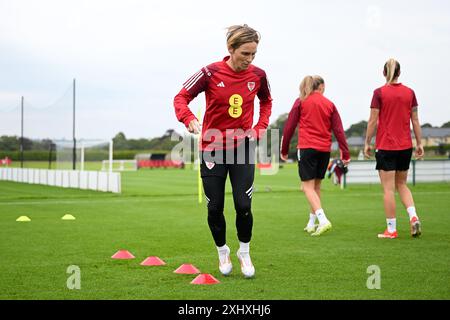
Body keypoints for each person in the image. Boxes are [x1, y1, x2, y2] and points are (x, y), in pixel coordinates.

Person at [173, 25, 272, 278]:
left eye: (254, 54)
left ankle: (245, 252)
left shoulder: (258, 75)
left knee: (243, 205)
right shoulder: (209, 72)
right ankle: (222, 252)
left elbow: (267, 101)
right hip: (212, 149)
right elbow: (181, 97)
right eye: (245, 54)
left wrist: (260, 127)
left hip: (242, 148)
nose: (249, 60)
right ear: (231, 49)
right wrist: (189, 119)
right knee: (214, 207)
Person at [281, 76, 350, 236]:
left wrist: (284, 149)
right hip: (324, 150)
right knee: (316, 187)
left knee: (307, 187)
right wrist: (345, 153)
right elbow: (339, 130)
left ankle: (323, 219)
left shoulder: (301, 101)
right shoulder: (329, 104)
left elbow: (289, 127)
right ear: (321, 87)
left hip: (307, 148)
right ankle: (312, 223)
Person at [364, 58, 424, 239]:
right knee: (402, 184)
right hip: (405, 146)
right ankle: (413, 217)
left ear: (384, 73)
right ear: (399, 73)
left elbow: (373, 120)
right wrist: (419, 143)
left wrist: (367, 141)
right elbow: (415, 120)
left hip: (386, 146)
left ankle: (391, 230)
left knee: (389, 189)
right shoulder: (410, 93)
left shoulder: (379, 93)